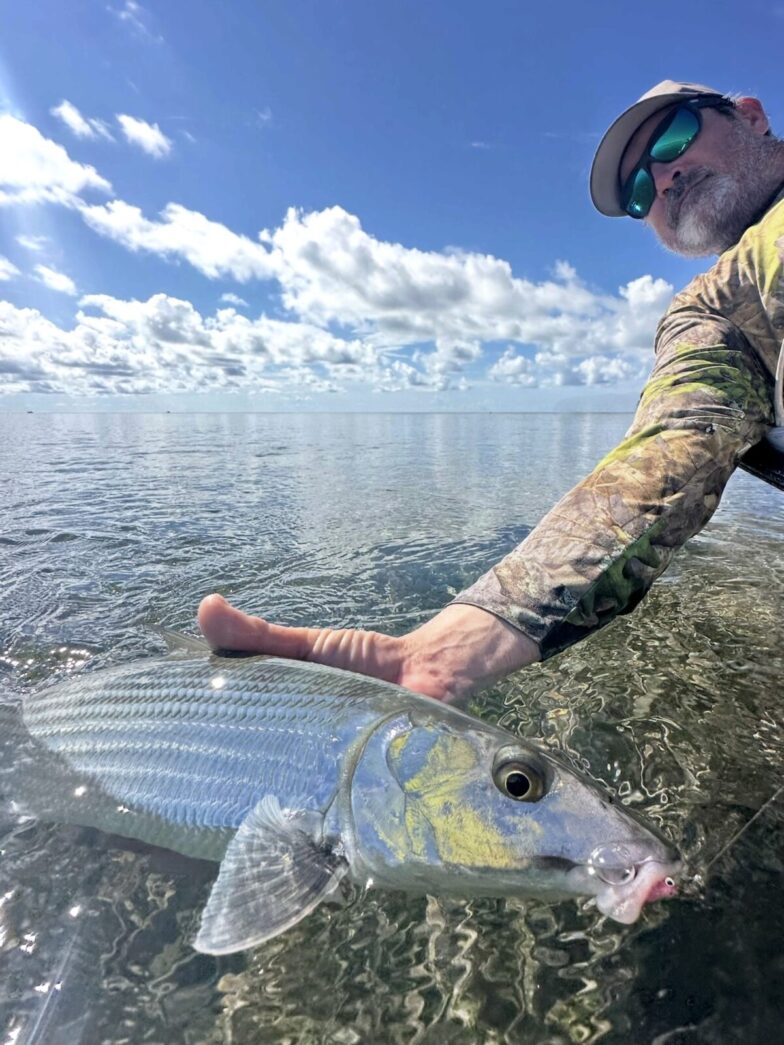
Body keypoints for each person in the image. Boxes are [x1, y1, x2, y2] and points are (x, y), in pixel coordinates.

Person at [199, 80, 784, 701]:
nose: (662, 181)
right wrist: (452, 647)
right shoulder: (714, 312)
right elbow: (670, 448)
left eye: (673, 138)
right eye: (641, 191)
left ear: (749, 115)